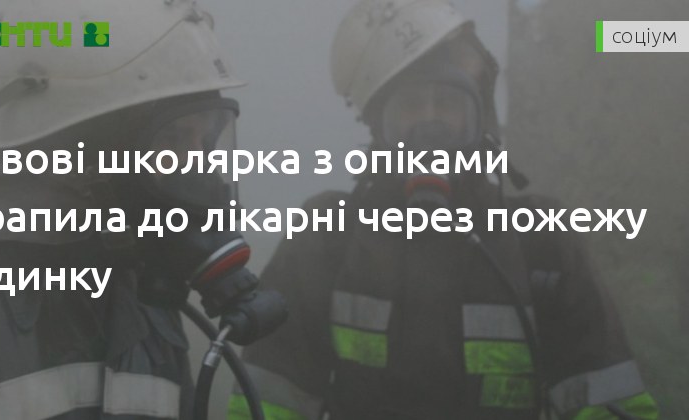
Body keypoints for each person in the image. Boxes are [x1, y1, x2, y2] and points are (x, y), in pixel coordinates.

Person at [228, 0, 659, 419]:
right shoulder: (327, 238)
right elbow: (269, 400)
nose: (430, 125)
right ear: (380, 128)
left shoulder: (542, 242)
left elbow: (608, 402)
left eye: (449, 104)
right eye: (410, 106)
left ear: (479, 122)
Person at [0, 1, 285, 419]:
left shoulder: (148, 304)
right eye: (172, 139)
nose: (198, 171)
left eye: (205, 141)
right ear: (81, 147)